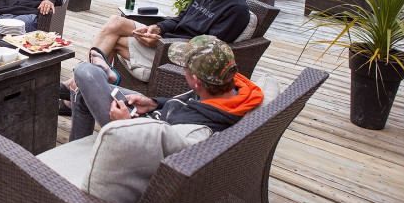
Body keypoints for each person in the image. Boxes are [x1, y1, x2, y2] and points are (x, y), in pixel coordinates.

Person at [64, 0, 250, 96]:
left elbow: (206, 49)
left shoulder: (236, 9)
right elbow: (180, 18)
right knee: (115, 22)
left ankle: (78, 87)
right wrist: (158, 27)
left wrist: (160, 41)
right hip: (166, 38)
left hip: (176, 52)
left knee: (113, 41)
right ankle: (83, 84)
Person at [68, 35, 263, 142]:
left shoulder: (195, 124)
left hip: (135, 132)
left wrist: (126, 123)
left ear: (196, 80)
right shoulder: (230, 91)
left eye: (184, 69)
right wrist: (152, 103)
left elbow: (151, 148)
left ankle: (102, 71)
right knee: (84, 90)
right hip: (153, 115)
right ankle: (76, 148)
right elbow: (182, 105)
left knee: (85, 72)